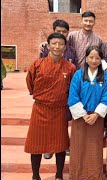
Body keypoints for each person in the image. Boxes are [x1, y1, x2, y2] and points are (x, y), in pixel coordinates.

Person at [24, 32, 76, 180]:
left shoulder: (70, 67)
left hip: (59, 110)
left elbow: (72, 89)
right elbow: (30, 83)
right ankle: (35, 175)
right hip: (40, 109)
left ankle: (59, 175)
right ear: (48, 46)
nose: (57, 47)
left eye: (60, 44)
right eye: (54, 43)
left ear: (65, 47)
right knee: (36, 144)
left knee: (60, 144)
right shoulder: (37, 64)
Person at [68, 46, 107, 179]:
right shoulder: (78, 74)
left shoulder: (105, 76)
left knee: (95, 146)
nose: (94, 60)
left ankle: (94, 175)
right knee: (78, 146)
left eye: (97, 58)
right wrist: (83, 114)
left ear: (101, 60)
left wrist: (96, 114)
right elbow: (73, 95)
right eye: (91, 57)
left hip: (96, 117)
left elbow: (106, 96)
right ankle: (77, 175)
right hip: (81, 116)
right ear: (86, 58)